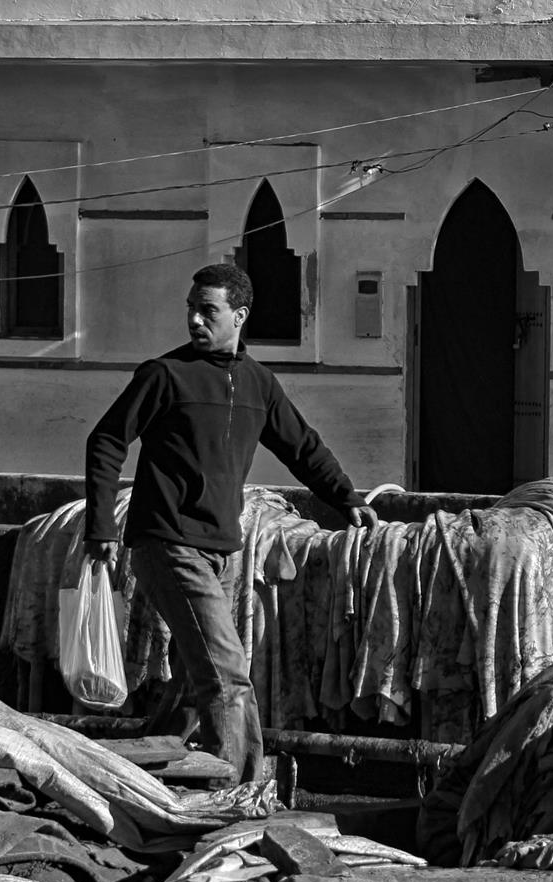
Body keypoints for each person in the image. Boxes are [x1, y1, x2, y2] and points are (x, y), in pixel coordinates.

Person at [84, 262, 377, 782]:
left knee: (199, 680)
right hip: (167, 541)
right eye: (191, 309)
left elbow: (301, 446)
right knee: (227, 676)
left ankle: (149, 773)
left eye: (208, 310)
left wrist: (344, 496)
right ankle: (238, 792)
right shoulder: (163, 375)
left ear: (238, 316)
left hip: (222, 547)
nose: (195, 319)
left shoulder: (259, 384)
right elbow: (107, 441)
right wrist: (101, 528)